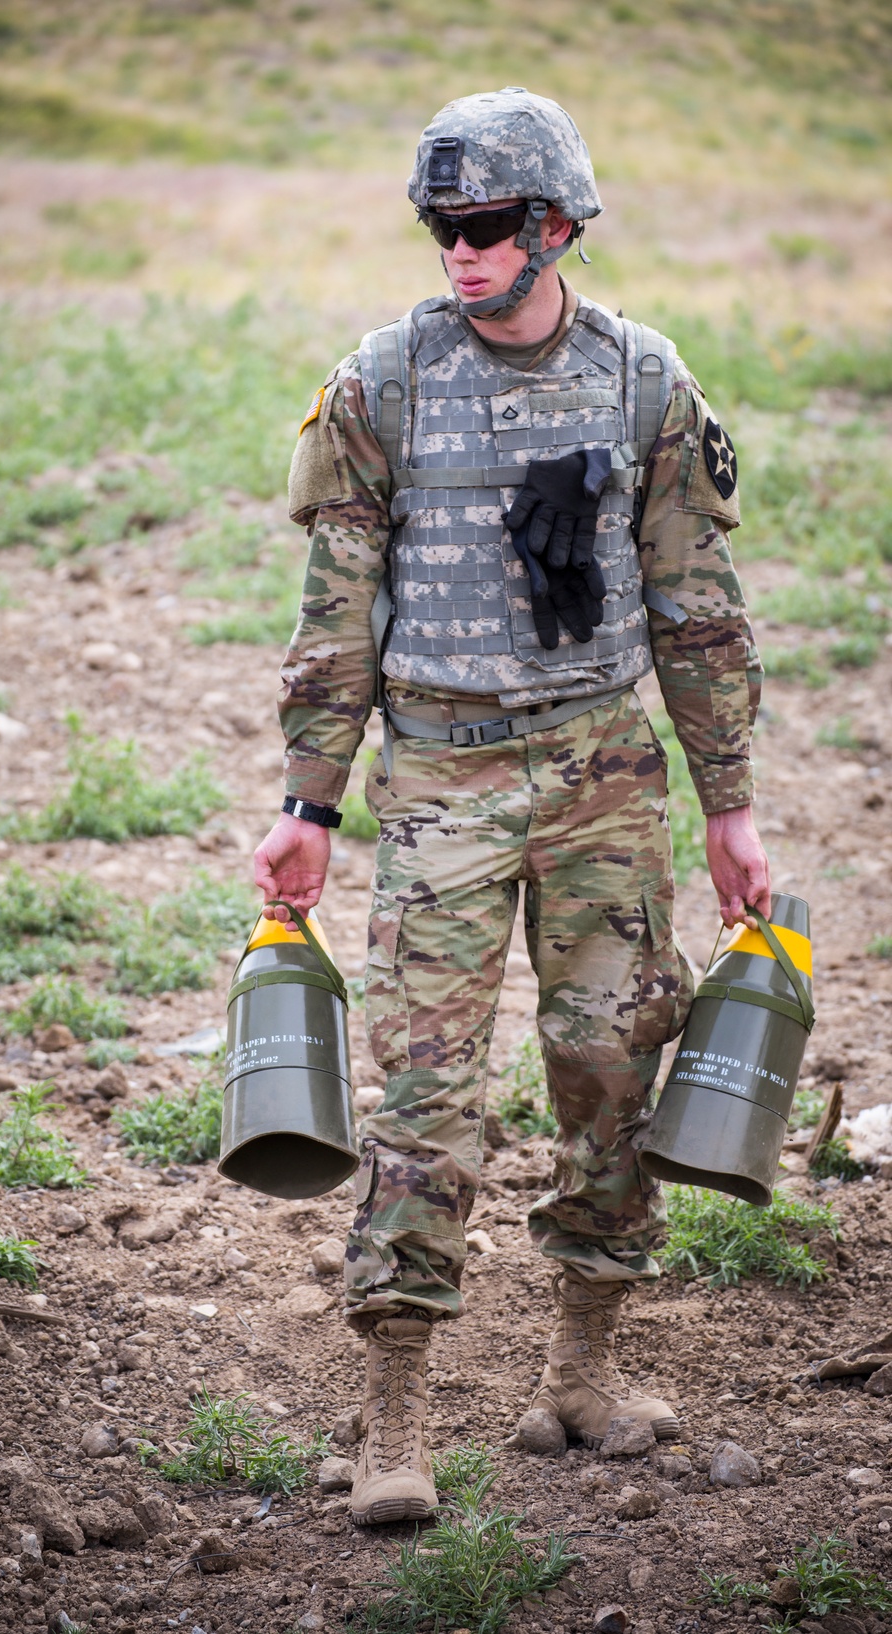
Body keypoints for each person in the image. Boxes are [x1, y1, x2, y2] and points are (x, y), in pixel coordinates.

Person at [253, 87, 770, 1527]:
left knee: (610, 1067)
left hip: (606, 771)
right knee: (425, 1092)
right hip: (441, 775)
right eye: (442, 227)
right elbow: (335, 610)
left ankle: (585, 1368)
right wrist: (311, 798)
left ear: (559, 229)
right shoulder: (384, 383)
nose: (460, 253)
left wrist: (731, 806)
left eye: (487, 228)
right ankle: (395, 1406)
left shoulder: (643, 381)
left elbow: (697, 605)